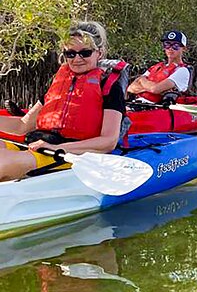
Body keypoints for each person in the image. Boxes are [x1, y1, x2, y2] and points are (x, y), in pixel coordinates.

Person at [0, 21, 125, 181]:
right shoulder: (58, 81)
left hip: (68, 152)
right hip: (36, 146)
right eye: (70, 53)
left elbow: (108, 141)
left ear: (99, 53)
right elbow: (22, 126)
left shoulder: (109, 86)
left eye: (85, 53)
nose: (77, 58)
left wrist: (57, 147)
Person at [127, 30, 190, 104]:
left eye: (175, 46)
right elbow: (131, 88)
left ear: (184, 49)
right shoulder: (156, 66)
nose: (170, 48)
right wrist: (151, 87)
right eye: (167, 44)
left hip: (155, 109)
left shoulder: (182, 71)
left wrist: (141, 80)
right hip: (137, 103)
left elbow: (155, 89)